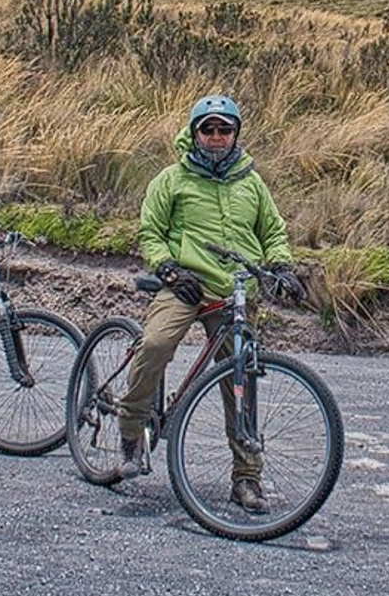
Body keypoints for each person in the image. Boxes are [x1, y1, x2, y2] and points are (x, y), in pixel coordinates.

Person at [114, 94, 306, 512]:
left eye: (224, 129)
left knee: (241, 379)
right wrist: (168, 269)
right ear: (195, 132)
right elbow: (150, 231)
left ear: (236, 133)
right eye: (208, 129)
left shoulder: (251, 182)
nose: (216, 136)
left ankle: (247, 477)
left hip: (236, 291)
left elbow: (272, 230)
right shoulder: (172, 179)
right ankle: (130, 432)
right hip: (185, 284)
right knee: (155, 345)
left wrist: (281, 265)